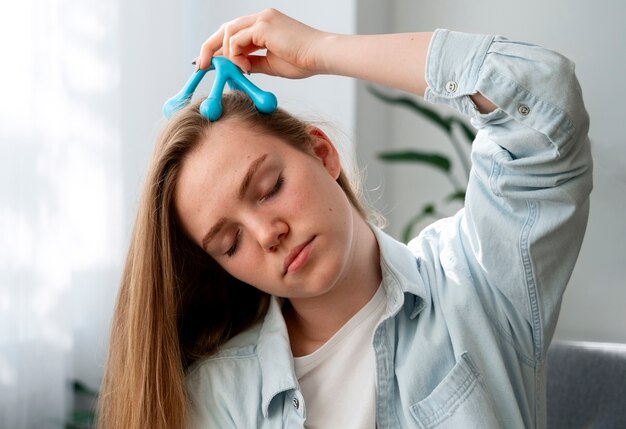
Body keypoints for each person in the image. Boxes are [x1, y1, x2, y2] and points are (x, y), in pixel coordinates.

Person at [97, 8, 592, 429]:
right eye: (229, 243)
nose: (268, 234)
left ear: (322, 153)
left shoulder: (476, 283)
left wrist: (321, 50)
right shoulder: (221, 393)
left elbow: (544, 103)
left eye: (270, 188)